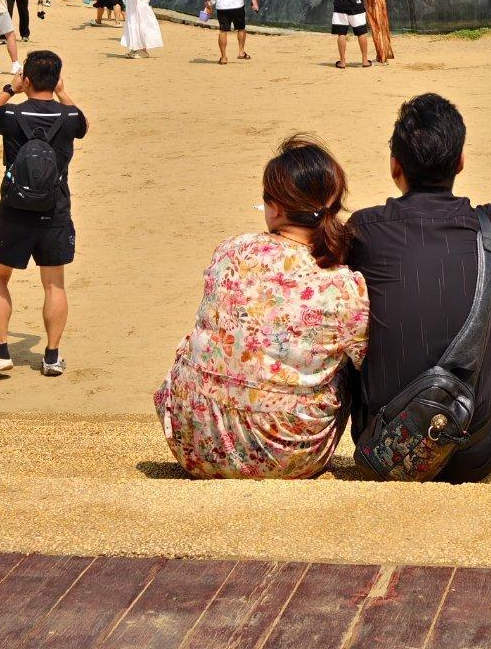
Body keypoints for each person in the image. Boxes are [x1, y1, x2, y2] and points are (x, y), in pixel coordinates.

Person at [347, 94, 491, 480]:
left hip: (384, 444)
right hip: (475, 453)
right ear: (460, 162)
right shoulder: (489, 225)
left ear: (396, 166)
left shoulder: (364, 230)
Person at [154, 136, 368, 478]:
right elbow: (365, 360)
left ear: (277, 208)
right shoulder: (344, 285)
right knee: (346, 358)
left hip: (191, 437)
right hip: (286, 453)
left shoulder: (232, 250)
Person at [0, 51, 87, 377]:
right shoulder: (69, 118)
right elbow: (84, 121)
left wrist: (10, 88)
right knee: (54, 285)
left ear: (26, 79)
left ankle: (0, 351)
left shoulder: (12, 115)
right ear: (56, 79)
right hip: (55, 209)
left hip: (14, 210)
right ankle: (51, 356)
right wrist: (62, 92)